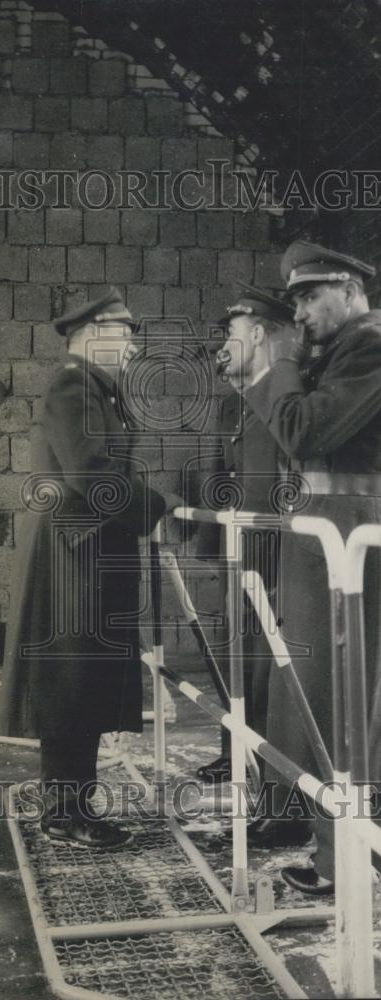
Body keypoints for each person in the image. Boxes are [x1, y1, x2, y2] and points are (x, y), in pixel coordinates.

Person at [0, 288, 170, 850]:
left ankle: (73, 808)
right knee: (69, 687)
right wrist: (154, 507)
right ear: (92, 337)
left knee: (81, 685)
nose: (132, 346)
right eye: (123, 334)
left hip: (86, 554)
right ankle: (63, 816)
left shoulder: (97, 391)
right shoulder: (75, 386)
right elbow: (91, 474)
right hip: (73, 559)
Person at [243, 241, 381, 894]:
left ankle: (344, 863)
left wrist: (273, 365)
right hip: (331, 536)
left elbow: (303, 434)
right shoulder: (341, 351)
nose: (297, 312)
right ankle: (345, 855)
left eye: (309, 295)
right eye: (293, 300)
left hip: (349, 542)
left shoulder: (369, 345)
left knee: (339, 703)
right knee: (334, 701)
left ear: (352, 290)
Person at [195, 285, 291, 787]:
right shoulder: (234, 405)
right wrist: (209, 544)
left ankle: (270, 769)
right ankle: (235, 752)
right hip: (238, 552)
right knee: (234, 656)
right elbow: (219, 475)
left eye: (230, 336)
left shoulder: (281, 398)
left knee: (265, 667)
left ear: (257, 334)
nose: (220, 349)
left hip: (273, 554)